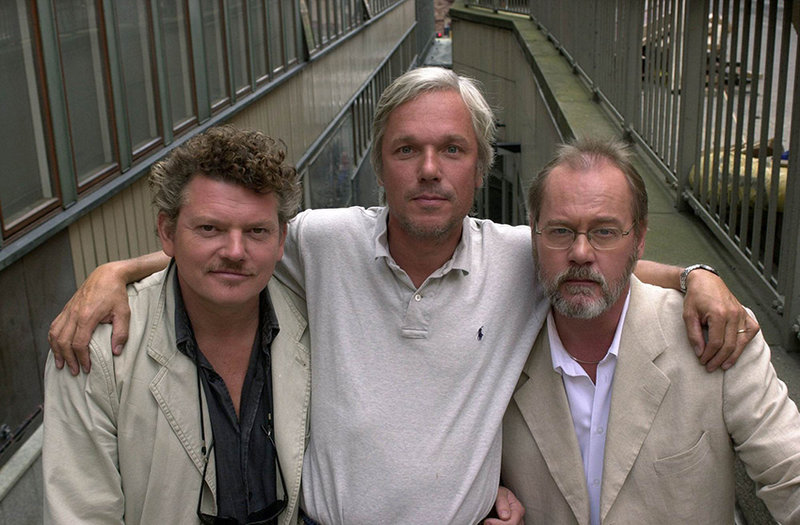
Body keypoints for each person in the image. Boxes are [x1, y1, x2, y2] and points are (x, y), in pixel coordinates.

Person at [48, 68, 756, 524]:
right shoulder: (324, 241)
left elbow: (596, 257)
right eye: (406, 149)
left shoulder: (519, 257)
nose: (429, 170)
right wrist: (116, 271)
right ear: (380, 165)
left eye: (452, 149)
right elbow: (233, 250)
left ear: (480, 166)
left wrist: (696, 276)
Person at [501, 137, 800, 524]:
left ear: (640, 239)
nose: (580, 252)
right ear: (533, 234)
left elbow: (790, 471)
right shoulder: (499, 343)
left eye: (604, 232)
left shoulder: (718, 336)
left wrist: (693, 275)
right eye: (560, 231)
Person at [43, 127, 311, 524]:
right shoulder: (94, 348)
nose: (235, 251)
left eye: (256, 231)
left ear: (281, 238)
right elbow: (80, 514)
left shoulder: (315, 322)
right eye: (209, 229)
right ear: (167, 232)